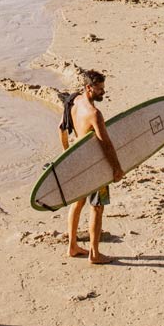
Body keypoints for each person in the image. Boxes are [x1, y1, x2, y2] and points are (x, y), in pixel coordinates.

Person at [60, 69, 124, 264]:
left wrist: (66, 153)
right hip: (95, 166)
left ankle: (72, 246)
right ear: (89, 88)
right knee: (97, 207)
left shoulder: (73, 101)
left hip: (78, 160)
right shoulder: (94, 114)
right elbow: (106, 144)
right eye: (100, 89)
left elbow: (62, 128)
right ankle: (94, 254)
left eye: (103, 88)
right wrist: (116, 168)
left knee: (77, 203)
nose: (103, 92)